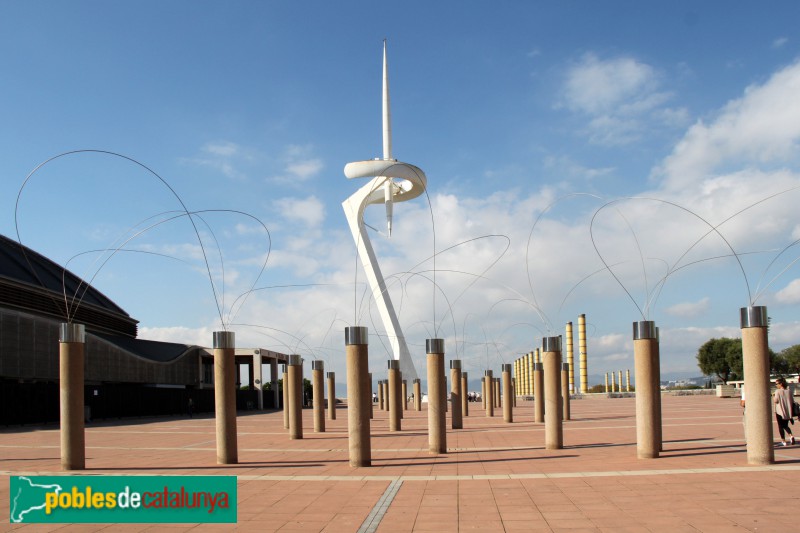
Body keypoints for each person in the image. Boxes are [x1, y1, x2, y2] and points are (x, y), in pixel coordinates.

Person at [773, 378, 795, 446]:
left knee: (780, 426)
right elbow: (792, 401)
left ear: (781, 384)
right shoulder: (789, 391)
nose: (776, 385)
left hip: (779, 411)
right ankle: (791, 436)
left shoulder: (777, 391)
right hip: (787, 411)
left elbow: (776, 401)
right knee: (785, 425)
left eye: (777, 384)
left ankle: (783, 441)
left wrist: (773, 396)